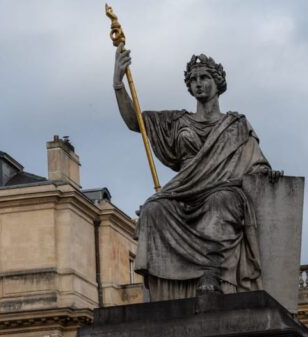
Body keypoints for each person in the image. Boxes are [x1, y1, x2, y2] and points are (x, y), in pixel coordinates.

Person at [114, 46, 280, 301]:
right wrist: (118, 84)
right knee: (153, 209)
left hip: (222, 192)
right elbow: (134, 121)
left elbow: (256, 164)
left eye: (204, 77)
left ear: (218, 82)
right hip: (184, 192)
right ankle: (163, 293)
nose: (198, 83)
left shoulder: (236, 125)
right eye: (193, 80)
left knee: (221, 201)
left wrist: (268, 176)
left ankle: (212, 273)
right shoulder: (178, 121)